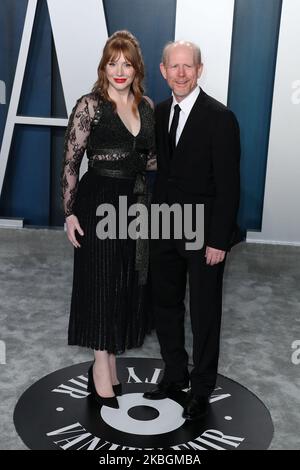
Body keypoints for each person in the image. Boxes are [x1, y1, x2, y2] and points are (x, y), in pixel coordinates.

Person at [143, 41, 240, 421]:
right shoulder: (160, 112)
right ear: (164, 71)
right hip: (164, 227)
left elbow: (230, 186)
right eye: (174, 67)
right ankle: (175, 373)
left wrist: (219, 239)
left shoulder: (220, 117)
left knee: (204, 313)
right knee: (164, 304)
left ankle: (201, 389)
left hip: (204, 235)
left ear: (199, 70)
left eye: (188, 66)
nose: (181, 73)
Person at [61, 30, 156, 409]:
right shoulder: (91, 105)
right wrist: (68, 213)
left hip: (136, 204)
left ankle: (111, 358)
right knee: (101, 281)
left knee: (125, 281)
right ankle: (101, 364)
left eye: (127, 63)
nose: (120, 70)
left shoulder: (146, 105)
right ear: (104, 66)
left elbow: (148, 160)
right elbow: (71, 161)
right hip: (98, 200)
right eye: (113, 63)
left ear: (136, 69)